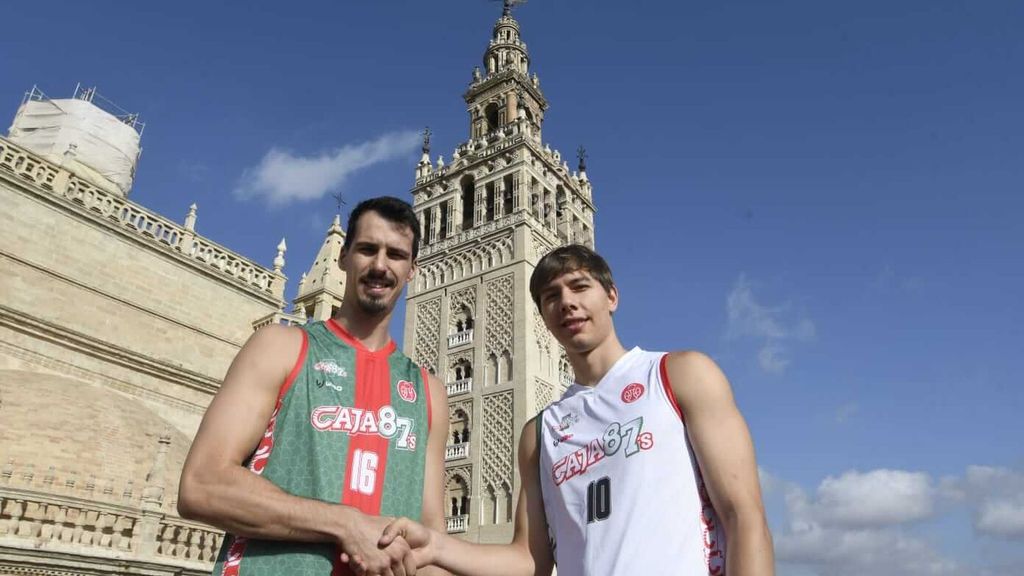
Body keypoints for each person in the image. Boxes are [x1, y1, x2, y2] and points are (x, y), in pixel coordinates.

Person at [381, 244, 774, 575]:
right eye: (551, 296)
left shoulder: (679, 375)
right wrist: (436, 546)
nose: (567, 302)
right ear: (543, 317)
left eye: (580, 287)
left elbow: (743, 516)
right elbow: (529, 560)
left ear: (612, 297)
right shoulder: (540, 434)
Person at [178, 196, 448, 576]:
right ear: (343, 257)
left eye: (396, 255)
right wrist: (345, 524)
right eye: (367, 249)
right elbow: (201, 485)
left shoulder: (428, 393)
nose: (380, 265)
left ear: (412, 270)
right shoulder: (280, 348)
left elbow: (432, 544)